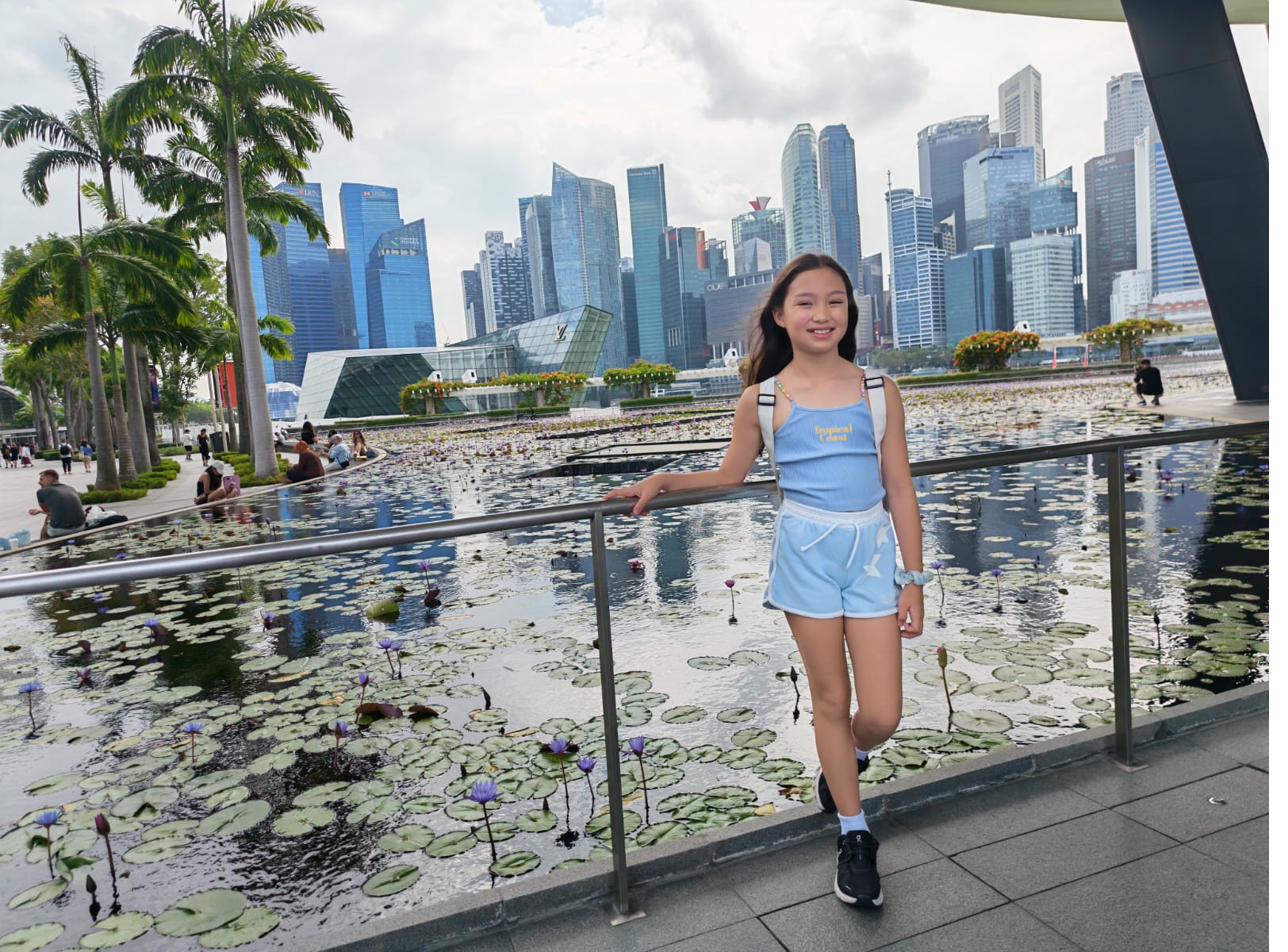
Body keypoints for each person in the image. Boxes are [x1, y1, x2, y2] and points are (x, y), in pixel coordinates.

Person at [606, 254, 925, 909]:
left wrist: (913, 578)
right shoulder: (764, 398)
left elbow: (899, 487)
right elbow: (730, 474)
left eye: (835, 301)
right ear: (781, 315)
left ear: (849, 313)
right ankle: (855, 834)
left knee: (883, 714)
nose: (821, 314)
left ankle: (849, 762)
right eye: (806, 302)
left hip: (870, 553)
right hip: (805, 554)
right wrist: (663, 480)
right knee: (831, 701)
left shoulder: (877, 391)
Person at [28, 469, 87, 539]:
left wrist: (40, 511)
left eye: (41, 479)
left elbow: (49, 513)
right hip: (81, 527)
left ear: (49, 478)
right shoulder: (71, 488)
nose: (39, 482)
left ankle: (44, 543)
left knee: (48, 519)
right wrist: (40, 511)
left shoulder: (41, 492)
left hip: (60, 531)